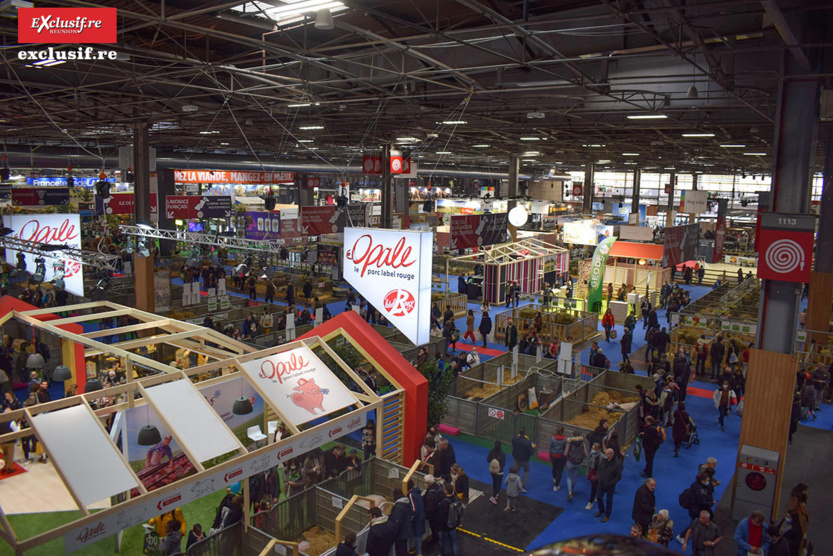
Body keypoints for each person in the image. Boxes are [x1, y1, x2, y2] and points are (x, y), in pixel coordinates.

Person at [594, 448, 621, 522]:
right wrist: (599, 477)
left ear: (611, 455)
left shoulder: (616, 464)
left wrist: (611, 483)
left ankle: (607, 514)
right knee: (599, 497)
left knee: (609, 500)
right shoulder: (603, 460)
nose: (604, 455)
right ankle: (601, 510)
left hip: (610, 486)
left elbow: (618, 476)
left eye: (606, 453)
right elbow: (599, 469)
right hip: (601, 483)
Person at [784, 482, 808, 556]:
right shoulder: (796, 500)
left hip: (799, 530)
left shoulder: (801, 501)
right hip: (796, 531)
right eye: (806, 490)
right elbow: (791, 511)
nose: (807, 492)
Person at [390, 487, 414, 556]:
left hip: (400, 534)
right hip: (405, 531)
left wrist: (394, 533)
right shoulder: (406, 502)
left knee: (400, 551)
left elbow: (397, 521)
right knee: (404, 549)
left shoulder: (399, 506)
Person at [564, 431, 586, 502]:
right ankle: (572, 489)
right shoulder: (582, 443)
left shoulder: (570, 443)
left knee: (569, 477)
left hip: (571, 461)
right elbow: (585, 453)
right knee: (575, 477)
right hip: (579, 462)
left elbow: (565, 453)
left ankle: (569, 492)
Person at [437, 482, 459, 555]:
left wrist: (439, 528)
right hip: (453, 524)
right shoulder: (456, 499)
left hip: (445, 526)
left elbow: (441, 517)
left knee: (443, 542)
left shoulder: (444, 502)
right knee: (453, 541)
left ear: (446, 491)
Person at [422, 476, 443, 548]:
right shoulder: (438, 486)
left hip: (433, 515)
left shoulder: (430, 494)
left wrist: (426, 516)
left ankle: (435, 541)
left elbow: (429, 508)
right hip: (439, 512)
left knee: (434, 528)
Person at [406, 479, 425, 556]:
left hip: (416, 518)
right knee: (418, 535)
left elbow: (414, 508)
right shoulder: (417, 492)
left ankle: (418, 552)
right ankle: (416, 551)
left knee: (416, 535)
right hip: (421, 516)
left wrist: (411, 518)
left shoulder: (411, 495)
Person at [548, 427, 567, 493]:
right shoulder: (565, 439)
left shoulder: (553, 438)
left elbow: (551, 447)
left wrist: (550, 455)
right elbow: (566, 448)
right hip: (561, 456)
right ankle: (556, 486)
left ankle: (554, 478)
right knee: (559, 470)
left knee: (554, 467)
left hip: (553, 455)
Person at [486, 440, 505, 505]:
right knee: (498, 484)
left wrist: (493, 461)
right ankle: (493, 496)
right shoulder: (502, 454)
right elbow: (503, 464)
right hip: (499, 472)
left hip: (492, 470)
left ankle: (495, 493)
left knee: (494, 482)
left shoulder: (492, 451)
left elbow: (488, 460)